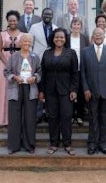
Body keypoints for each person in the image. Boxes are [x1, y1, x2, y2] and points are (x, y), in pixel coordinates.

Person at [81, 28, 106, 155]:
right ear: (92, 37)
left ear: (104, 36)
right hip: (91, 92)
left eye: (100, 34)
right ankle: (92, 144)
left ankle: (104, 144)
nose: (98, 36)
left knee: (105, 120)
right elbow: (82, 73)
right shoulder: (85, 52)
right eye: (95, 34)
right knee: (93, 119)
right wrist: (85, 88)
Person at [39, 28, 79, 156]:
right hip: (50, 91)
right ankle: (54, 143)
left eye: (62, 37)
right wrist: (41, 91)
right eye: (57, 37)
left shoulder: (71, 53)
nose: (59, 39)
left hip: (66, 91)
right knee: (52, 117)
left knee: (66, 117)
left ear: (65, 39)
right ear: (53, 38)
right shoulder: (47, 53)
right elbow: (43, 73)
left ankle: (67, 144)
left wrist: (74, 89)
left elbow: (75, 73)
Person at [4, 33, 41, 154]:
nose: (27, 43)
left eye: (29, 41)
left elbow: (40, 72)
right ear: (20, 43)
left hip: (30, 90)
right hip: (16, 88)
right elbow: (6, 72)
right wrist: (14, 77)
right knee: (14, 117)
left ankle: (29, 145)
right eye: (25, 41)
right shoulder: (14, 56)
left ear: (31, 43)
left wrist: (35, 77)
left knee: (30, 117)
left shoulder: (35, 57)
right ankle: (14, 146)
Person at [29, 7, 57, 123]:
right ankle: (38, 114)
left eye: (50, 14)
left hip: (51, 62)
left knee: (49, 87)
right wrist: (31, 59)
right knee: (38, 87)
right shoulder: (34, 27)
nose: (47, 16)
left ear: (52, 16)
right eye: (45, 14)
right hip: (37, 61)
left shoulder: (56, 28)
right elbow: (30, 43)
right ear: (42, 15)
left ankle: (48, 113)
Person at [0, 10, 23, 126]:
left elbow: (23, 50)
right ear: (7, 21)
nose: (12, 22)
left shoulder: (22, 35)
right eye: (10, 20)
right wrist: (7, 63)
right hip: (5, 63)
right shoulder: (2, 34)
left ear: (18, 21)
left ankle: (14, 118)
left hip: (18, 62)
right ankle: (3, 118)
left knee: (16, 90)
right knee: (4, 90)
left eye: (15, 20)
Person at [68, 17, 90, 126]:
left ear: (81, 27)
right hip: (69, 70)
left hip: (82, 68)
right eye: (74, 24)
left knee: (81, 93)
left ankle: (80, 116)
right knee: (70, 92)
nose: (76, 26)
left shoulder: (85, 38)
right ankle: (72, 115)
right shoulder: (67, 38)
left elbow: (88, 52)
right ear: (71, 26)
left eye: (78, 25)